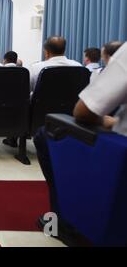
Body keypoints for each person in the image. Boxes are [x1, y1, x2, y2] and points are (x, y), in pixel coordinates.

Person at [34, 43, 127, 246]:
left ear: (46, 52)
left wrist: (110, 122)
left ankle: (61, 221)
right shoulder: (79, 68)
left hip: (119, 151)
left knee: (44, 134)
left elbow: (84, 111)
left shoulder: (36, 68)